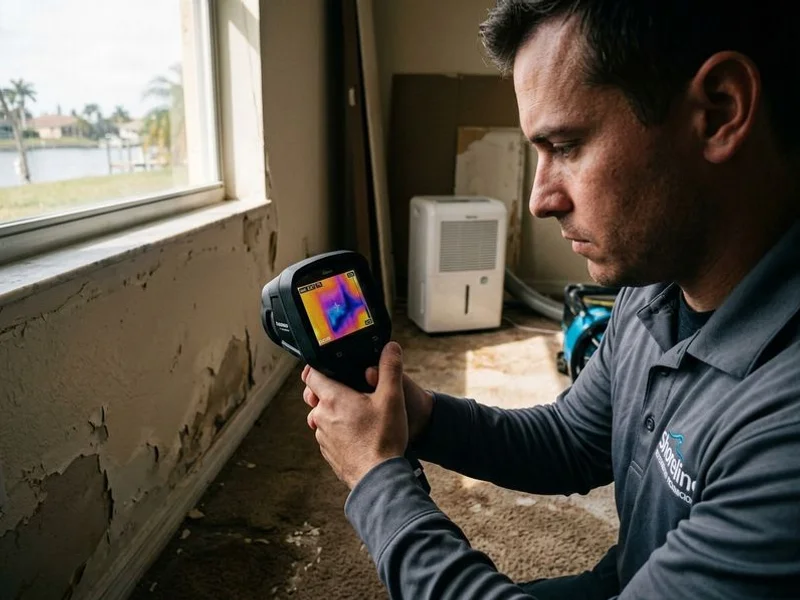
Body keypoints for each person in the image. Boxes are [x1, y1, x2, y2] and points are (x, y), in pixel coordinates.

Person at [301, 1, 800, 597]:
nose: (539, 200)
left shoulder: (784, 426)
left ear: (719, 111)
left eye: (564, 145)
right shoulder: (653, 289)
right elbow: (568, 441)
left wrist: (376, 479)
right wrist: (421, 416)